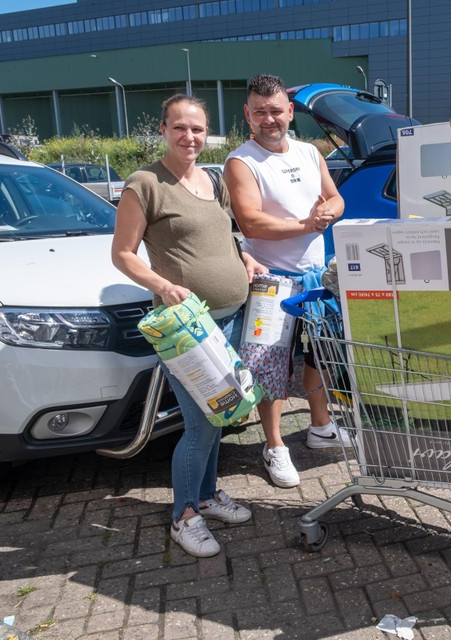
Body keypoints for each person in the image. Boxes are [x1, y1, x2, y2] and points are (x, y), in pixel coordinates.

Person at [111, 94, 268, 558]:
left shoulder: (211, 179)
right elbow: (122, 253)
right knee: (199, 425)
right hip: (187, 331)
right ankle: (183, 516)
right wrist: (164, 284)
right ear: (163, 130)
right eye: (180, 127)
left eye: (197, 129)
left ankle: (205, 495)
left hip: (233, 316)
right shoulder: (145, 184)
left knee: (222, 414)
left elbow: (226, 234)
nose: (189, 137)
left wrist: (246, 257)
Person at [225, 74, 350, 489]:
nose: (269, 119)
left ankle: (319, 426)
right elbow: (250, 222)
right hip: (271, 282)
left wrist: (328, 213)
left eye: (276, 110)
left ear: (290, 112)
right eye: (259, 111)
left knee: (321, 355)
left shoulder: (309, 152)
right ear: (248, 114)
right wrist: (307, 223)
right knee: (270, 367)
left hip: (316, 276)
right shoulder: (241, 162)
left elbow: (336, 197)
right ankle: (275, 446)